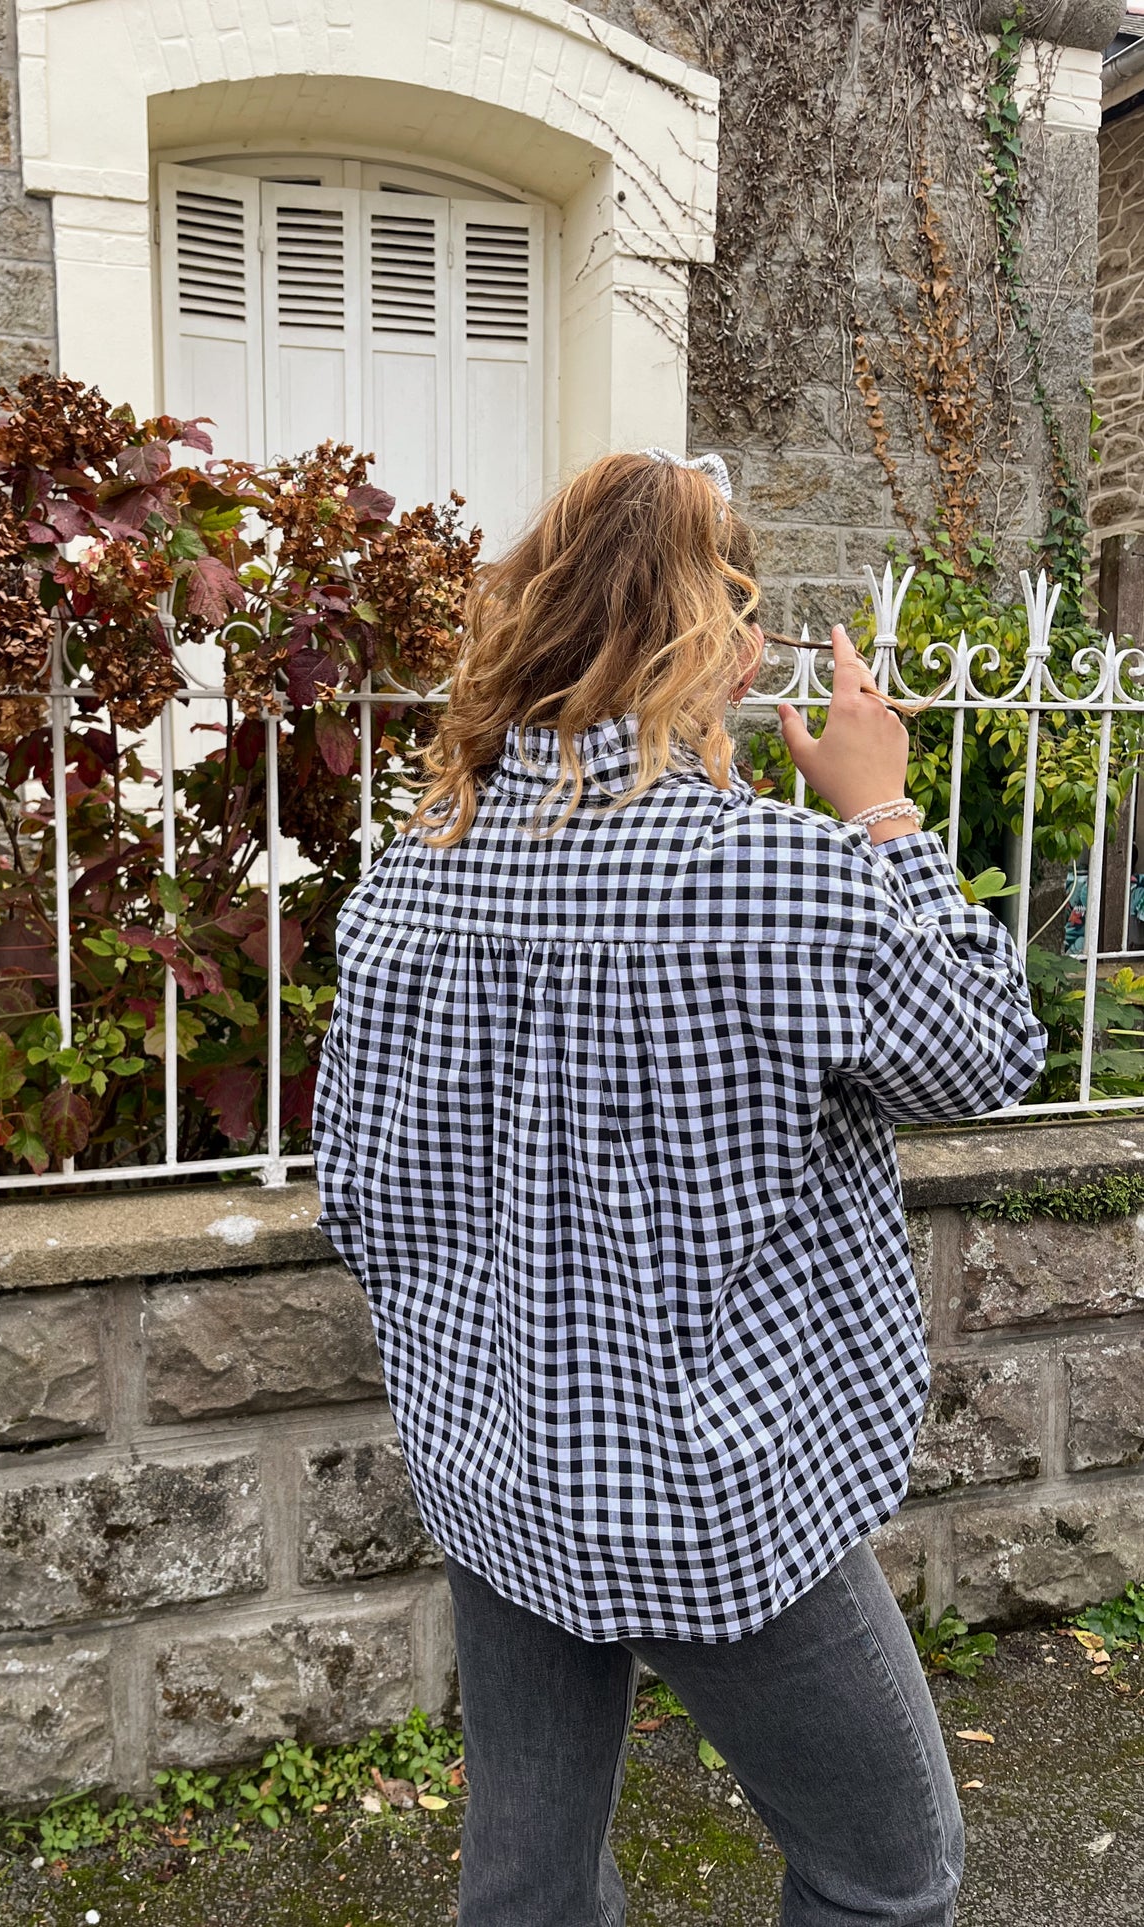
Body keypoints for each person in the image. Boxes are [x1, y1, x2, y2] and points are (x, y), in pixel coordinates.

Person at [312, 449, 1047, 1927]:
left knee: (524, 1883)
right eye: (743, 606)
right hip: (714, 1494)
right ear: (702, 639)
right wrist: (884, 817)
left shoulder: (411, 875)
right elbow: (984, 1061)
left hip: (491, 1464)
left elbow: (361, 1198)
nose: (764, 641)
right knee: (886, 1878)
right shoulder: (775, 876)